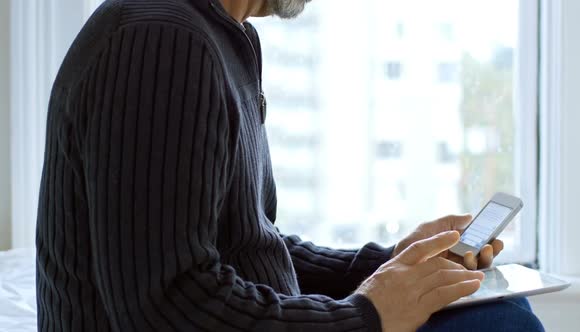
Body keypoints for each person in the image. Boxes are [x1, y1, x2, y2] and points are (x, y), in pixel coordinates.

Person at [35, 0, 545, 331]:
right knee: (501, 325)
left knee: (493, 312)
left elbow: (243, 244)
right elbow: (169, 303)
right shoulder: (160, 40)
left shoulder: (219, 37)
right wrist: (363, 317)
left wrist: (387, 265)